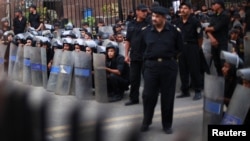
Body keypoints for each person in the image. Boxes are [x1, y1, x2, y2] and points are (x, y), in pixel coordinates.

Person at [140, 6, 183, 134]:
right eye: (153, 16)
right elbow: (142, 48)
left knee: (168, 96)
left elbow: (180, 48)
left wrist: (170, 58)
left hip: (168, 66)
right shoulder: (146, 31)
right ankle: (146, 121)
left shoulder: (174, 31)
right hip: (151, 67)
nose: (154, 18)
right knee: (148, 95)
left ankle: (167, 124)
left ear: (164, 18)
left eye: (157, 16)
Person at [175, 2, 203, 100]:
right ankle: (185, 90)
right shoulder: (177, 22)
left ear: (190, 10)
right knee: (183, 70)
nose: (182, 10)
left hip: (192, 47)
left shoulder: (195, 21)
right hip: (181, 48)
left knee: (194, 70)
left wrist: (197, 48)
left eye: (185, 8)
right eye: (181, 8)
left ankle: (198, 90)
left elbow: (200, 38)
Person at [124, 3, 149, 106]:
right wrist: (126, 55)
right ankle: (134, 98)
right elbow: (128, 41)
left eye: (146, 11)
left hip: (146, 55)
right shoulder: (131, 24)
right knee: (134, 79)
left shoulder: (149, 23)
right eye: (143, 11)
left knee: (148, 78)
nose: (145, 13)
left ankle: (148, 98)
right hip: (134, 55)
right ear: (137, 12)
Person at [204, 0, 230, 76]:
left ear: (220, 5)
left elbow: (215, 28)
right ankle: (220, 77)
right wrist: (212, 38)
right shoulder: (214, 15)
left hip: (222, 42)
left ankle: (226, 81)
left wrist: (208, 29)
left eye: (215, 4)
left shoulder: (225, 15)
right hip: (214, 42)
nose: (213, 6)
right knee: (216, 62)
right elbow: (208, 28)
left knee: (223, 61)